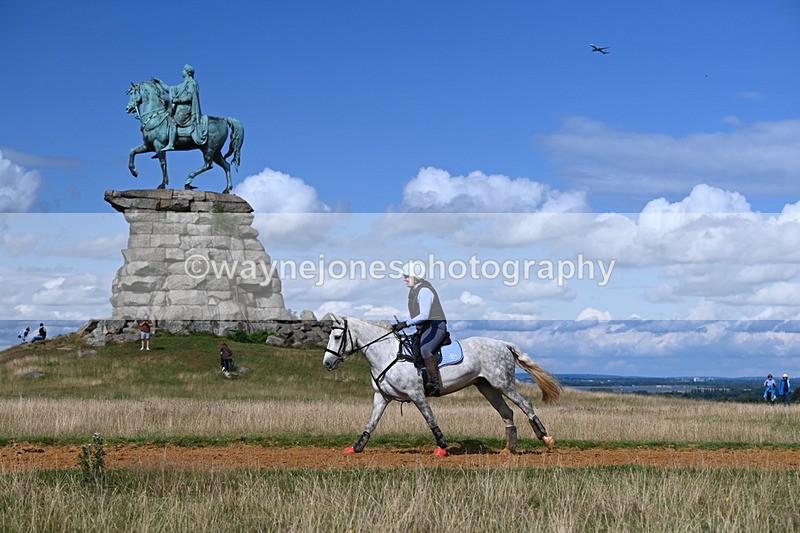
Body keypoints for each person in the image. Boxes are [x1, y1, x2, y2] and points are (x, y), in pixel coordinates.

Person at [391, 262, 448, 397]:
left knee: (425, 349)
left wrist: (405, 324)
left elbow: (424, 315)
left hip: (436, 326)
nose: (404, 279)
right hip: (425, 327)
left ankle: (435, 384)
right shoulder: (414, 291)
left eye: (406, 276)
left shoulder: (424, 291)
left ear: (415, 277)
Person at [152, 64, 207, 152]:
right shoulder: (182, 85)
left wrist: (178, 100)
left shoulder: (192, 83)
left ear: (188, 72)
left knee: (171, 121)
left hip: (185, 109)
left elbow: (190, 97)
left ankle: (170, 144)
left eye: (183, 70)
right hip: (179, 108)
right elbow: (169, 89)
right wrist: (160, 82)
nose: (182, 72)